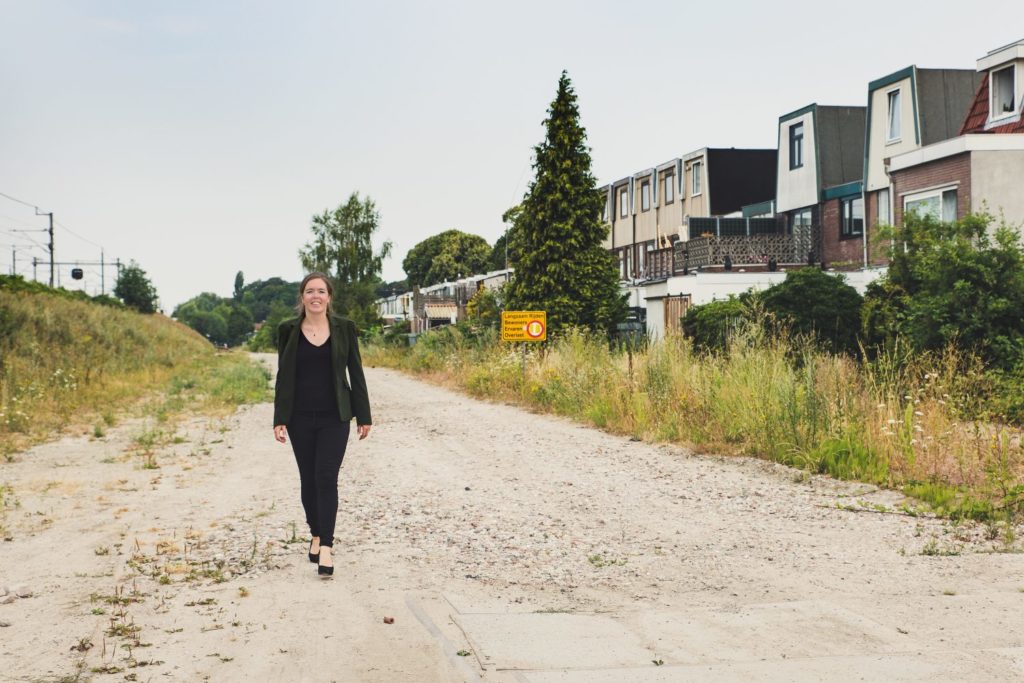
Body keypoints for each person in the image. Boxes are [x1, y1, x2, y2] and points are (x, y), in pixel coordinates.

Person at [273, 272, 372, 577]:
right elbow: (284, 375)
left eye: (321, 291)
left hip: (335, 417)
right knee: (308, 479)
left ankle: (326, 546)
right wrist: (280, 418)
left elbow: (355, 371)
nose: (315, 296)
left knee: (326, 477)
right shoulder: (287, 329)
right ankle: (315, 532)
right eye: (309, 291)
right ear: (302, 297)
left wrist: (363, 415)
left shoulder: (345, 328)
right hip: (300, 418)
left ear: (329, 297)